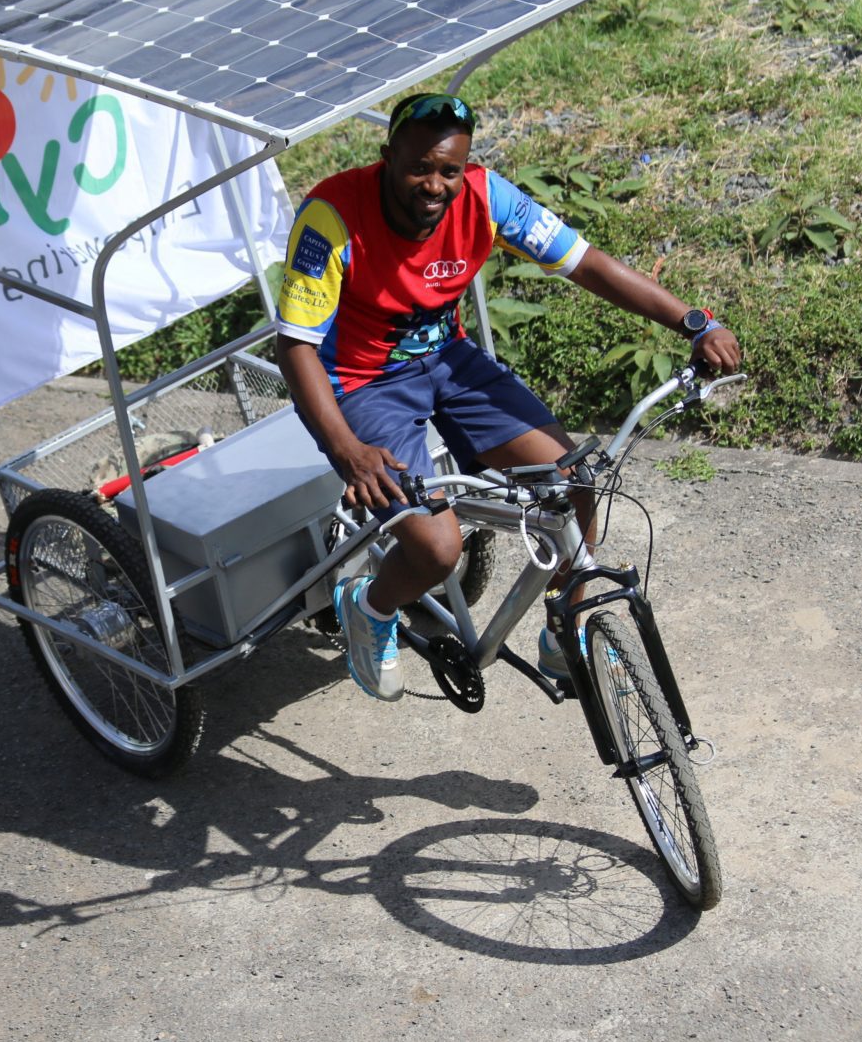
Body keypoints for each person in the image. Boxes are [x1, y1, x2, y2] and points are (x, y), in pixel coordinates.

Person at [275, 93, 741, 702]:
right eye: (420, 167)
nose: (435, 185)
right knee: (437, 550)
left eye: (450, 170)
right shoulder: (333, 215)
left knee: (572, 479)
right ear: (387, 157)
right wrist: (348, 450)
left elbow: (585, 263)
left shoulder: (487, 196)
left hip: (449, 360)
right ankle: (370, 605)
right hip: (363, 384)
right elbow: (296, 348)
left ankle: (563, 629)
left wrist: (694, 322)